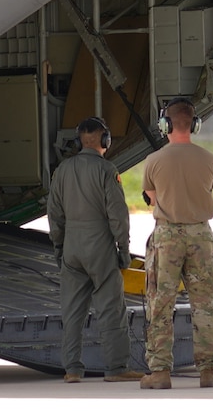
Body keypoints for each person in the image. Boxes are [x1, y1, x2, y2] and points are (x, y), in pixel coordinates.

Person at [46, 117, 144, 384]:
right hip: (99, 243)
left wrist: (59, 247)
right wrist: (123, 250)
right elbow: (118, 216)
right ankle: (116, 368)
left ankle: (73, 370)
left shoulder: (63, 170)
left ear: (79, 141)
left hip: (72, 245)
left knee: (72, 311)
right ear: (105, 141)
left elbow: (54, 214)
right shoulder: (106, 170)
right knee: (111, 307)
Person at [139, 101, 213, 389]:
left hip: (168, 236)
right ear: (194, 125)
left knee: (161, 303)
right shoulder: (209, 159)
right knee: (205, 303)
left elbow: (152, 196)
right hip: (201, 235)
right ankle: (209, 371)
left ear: (166, 126)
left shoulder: (154, 160)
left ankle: (160, 371)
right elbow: (208, 188)